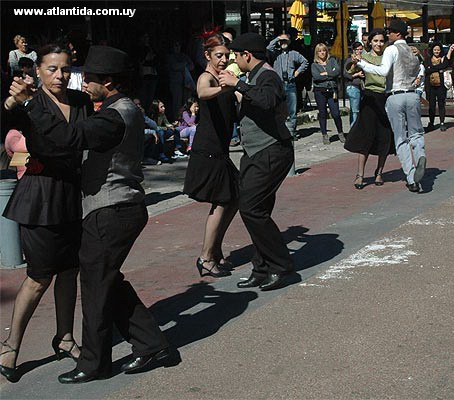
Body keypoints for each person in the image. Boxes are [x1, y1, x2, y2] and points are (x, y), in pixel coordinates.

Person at [7, 45, 171, 383]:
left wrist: (27, 106)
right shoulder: (115, 107)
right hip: (73, 203)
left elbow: (68, 138)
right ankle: (152, 342)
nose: (74, 80)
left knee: (95, 286)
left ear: (107, 82)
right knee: (104, 280)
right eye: (54, 69)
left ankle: (94, 363)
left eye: (87, 76)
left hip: (111, 208)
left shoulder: (110, 114)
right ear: (38, 70)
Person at [1, 43, 92, 383]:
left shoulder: (81, 102)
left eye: (65, 68)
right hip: (39, 198)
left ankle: (65, 338)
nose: (60, 75)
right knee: (39, 276)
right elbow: (7, 120)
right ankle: (11, 346)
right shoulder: (29, 102)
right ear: (37, 70)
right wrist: (13, 101)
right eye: (52, 68)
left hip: (72, 194)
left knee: (69, 271)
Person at [219, 32, 294, 291]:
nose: (233, 61)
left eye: (235, 56)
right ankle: (261, 268)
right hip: (255, 152)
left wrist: (238, 85)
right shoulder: (254, 76)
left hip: (272, 151)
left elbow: (267, 100)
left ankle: (281, 265)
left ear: (246, 55)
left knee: (251, 208)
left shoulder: (268, 75)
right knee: (257, 210)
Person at [183, 30, 238, 278]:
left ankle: (214, 251)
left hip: (220, 150)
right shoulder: (207, 77)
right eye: (219, 55)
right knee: (222, 201)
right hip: (208, 150)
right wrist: (225, 89)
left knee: (235, 197)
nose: (224, 60)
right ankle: (206, 257)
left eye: (227, 55)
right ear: (207, 55)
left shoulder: (226, 76)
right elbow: (202, 92)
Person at [354, 18, 426, 193]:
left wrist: (361, 64)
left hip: (395, 95)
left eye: (390, 31)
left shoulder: (391, 50)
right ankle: (421, 155)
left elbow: (383, 71)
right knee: (416, 133)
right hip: (413, 95)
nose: (387, 34)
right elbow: (420, 71)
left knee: (400, 138)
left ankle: (411, 177)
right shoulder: (412, 51)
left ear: (397, 33)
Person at [344, 29, 395, 189]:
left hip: (386, 98)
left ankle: (379, 172)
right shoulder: (364, 57)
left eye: (381, 41)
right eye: (375, 41)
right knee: (365, 137)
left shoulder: (389, 56)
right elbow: (350, 70)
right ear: (370, 42)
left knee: (384, 137)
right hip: (370, 98)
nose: (378, 44)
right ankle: (360, 174)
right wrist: (354, 62)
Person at [267, 32, 308, 139]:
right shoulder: (275, 53)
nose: (283, 43)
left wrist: (297, 72)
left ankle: (292, 132)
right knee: (278, 109)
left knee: (292, 111)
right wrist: (278, 38)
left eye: (285, 41)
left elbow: (305, 62)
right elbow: (268, 48)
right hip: (278, 85)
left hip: (290, 84)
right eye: (282, 41)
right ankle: (280, 131)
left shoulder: (294, 53)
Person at [311, 43, 345, 145]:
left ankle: (340, 132)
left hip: (332, 90)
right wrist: (330, 74)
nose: (322, 53)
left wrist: (327, 73)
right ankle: (324, 134)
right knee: (322, 113)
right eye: (320, 51)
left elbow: (337, 72)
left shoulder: (332, 61)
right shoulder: (314, 65)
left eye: (324, 50)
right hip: (320, 91)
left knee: (336, 113)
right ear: (317, 53)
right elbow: (316, 77)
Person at [423, 43, 450, 132]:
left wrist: (432, 68)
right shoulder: (427, 59)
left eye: (438, 50)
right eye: (435, 50)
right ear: (432, 50)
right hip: (430, 86)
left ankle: (442, 122)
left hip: (441, 86)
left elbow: (445, 65)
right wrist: (438, 68)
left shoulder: (443, 59)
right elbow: (427, 69)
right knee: (431, 105)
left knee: (441, 104)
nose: (437, 51)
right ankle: (431, 123)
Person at [344, 41, 365, 127]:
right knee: (355, 111)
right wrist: (356, 75)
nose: (359, 51)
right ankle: (354, 130)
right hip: (353, 86)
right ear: (353, 50)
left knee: (358, 110)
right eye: (357, 49)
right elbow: (345, 74)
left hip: (362, 87)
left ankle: (355, 129)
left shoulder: (363, 59)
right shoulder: (350, 60)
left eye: (361, 49)